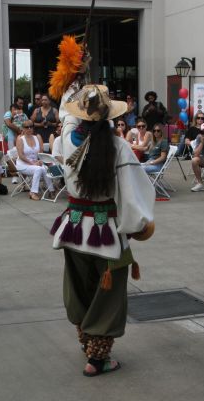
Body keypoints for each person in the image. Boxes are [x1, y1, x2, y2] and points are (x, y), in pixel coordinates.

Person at [51, 84, 155, 377]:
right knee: (108, 296)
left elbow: (66, 118)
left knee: (79, 289)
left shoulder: (66, 140)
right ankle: (98, 359)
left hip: (73, 230)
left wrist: (71, 83)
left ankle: (88, 344)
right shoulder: (118, 146)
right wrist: (135, 226)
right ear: (110, 115)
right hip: (106, 234)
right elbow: (132, 194)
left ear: (81, 113)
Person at [16, 120, 54, 201]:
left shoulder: (37, 137)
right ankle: (33, 192)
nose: (29, 128)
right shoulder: (20, 139)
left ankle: (51, 191)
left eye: (31, 126)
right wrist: (32, 163)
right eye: (27, 127)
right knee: (38, 169)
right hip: (23, 164)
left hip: (35, 163)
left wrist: (40, 160)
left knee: (45, 168)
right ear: (23, 128)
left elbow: (41, 152)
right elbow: (21, 155)